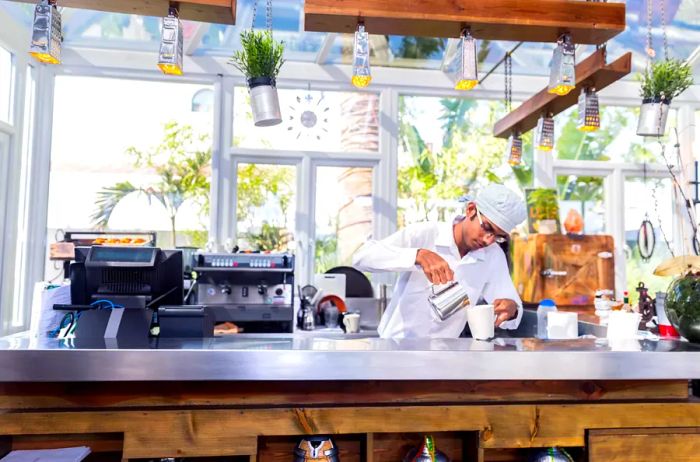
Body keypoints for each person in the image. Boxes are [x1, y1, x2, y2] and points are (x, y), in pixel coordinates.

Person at [353, 184, 527, 338]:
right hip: (398, 348)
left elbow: (511, 307)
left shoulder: (493, 255)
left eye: (498, 237)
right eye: (487, 228)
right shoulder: (425, 234)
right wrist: (417, 255)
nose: (489, 240)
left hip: (445, 356)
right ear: (471, 210)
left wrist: (511, 310)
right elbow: (362, 257)